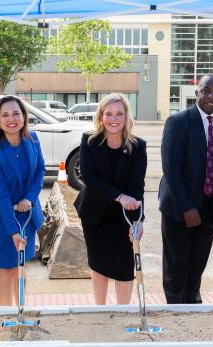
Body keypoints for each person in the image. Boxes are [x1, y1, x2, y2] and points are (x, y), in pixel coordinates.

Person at [158, 75, 213, 304]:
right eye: (206, 91)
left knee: (198, 264)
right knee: (177, 265)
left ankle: (193, 305)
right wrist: (186, 207)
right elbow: (171, 168)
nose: (211, 96)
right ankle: (175, 309)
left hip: (209, 208)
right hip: (178, 208)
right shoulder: (177, 122)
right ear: (197, 93)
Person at [73, 93, 147, 305]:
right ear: (101, 116)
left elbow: (137, 185)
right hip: (95, 213)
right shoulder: (89, 141)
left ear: (126, 116)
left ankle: (123, 311)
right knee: (99, 264)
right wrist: (120, 196)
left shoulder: (138, 146)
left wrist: (138, 220)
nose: (114, 119)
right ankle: (100, 311)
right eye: (108, 114)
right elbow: (89, 177)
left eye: (119, 114)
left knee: (124, 265)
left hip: (124, 216)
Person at [0, 96, 45, 306]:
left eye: (16, 113)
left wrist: (29, 198)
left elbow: (39, 172)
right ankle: (6, 314)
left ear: (24, 117)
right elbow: (1, 193)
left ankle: (22, 310)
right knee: (8, 267)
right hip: (3, 216)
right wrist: (13, 232)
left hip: (26, 213)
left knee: (22, 266)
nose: (11, 119)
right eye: (5, 115)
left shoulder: (33, 140)